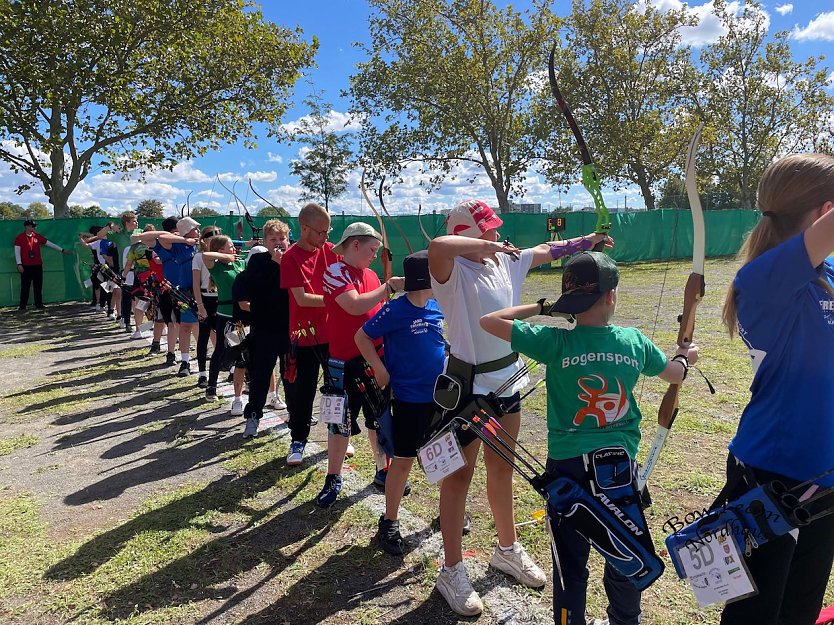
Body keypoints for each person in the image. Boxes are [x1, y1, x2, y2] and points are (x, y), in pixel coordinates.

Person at [480, 250, 697, 625]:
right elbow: (675, 375)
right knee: (626, 550)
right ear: (611, 296)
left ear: (570, 301)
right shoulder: (633, 341)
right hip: (618, 470)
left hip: (566, 471)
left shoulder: (555, 342)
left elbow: (489, 321)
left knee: (570, 565)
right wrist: (686, 355)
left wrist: (544, 306)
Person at [427, 198, 610, 616]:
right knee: (458, 477)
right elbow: (437, 246)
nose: (494, 235)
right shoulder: (451, 272)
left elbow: (549, 250)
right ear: (466, 233)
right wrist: (485, 247)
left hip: (508, 381)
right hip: (468, 387)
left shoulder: (503, 262)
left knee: (502, 468)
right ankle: (451, 569)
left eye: (493, 229)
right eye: (485, 229)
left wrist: (591, 240)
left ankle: (506, 549)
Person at [716, 153, 834, 625]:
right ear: (825, 212)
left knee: (801, 607)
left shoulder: (827, 275)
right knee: (756, 615)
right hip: (771, 477)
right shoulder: (763, 279)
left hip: (824, 473)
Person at [355, 250, 445, 555]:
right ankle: (390, 521)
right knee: (403, 461)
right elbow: (362, 337)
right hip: (408, 399)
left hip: (440, 398)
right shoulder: (395, 310)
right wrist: (380, 368)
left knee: (442, 456)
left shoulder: (437, 306)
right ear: (425, 279)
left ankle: (448, 511)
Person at [314, 221, 405, 508]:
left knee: (379, 418)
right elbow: (354, 305)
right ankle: (333, 477)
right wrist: (388, 287)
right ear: (355, 244)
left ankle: (383, 469)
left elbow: (376, 314)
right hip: (343, 362)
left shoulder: (370, 276)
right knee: (339, 423)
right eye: (371, 249)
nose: (374, 255)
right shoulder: (335, 271)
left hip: (373, 359)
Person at [280, 203, 338, 466]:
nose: (325, 238)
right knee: (302, 391)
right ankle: (298, 439)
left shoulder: (328, 249)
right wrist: (336, 300)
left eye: (327, 232)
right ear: (304, 229)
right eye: (320, 232)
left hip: (332, 334)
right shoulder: (290, 257)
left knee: (335, 389)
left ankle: (336, 436)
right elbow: (301, 299)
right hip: (303, 336)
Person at [239, 220, 291, 438]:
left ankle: (296, 414)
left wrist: (284, 264)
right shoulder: (258, 261)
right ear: (266, 242)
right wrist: (276, 265)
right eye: (273, 240)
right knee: (260, 375)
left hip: (289, 328)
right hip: (263, 329)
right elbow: (253, 288)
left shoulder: (294, 259)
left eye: (282, 239)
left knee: (292, 376)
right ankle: (253, 416)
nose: (278, 244)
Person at [132, 217, 200, 372]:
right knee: (169, 322)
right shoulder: (167, 243)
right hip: (167, 288)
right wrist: (181, 239)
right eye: (175, 232)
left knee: (192, 322)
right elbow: (144, 237)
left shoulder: (188, 245)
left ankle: (198, 350)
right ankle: (170, 352)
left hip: (186, 288)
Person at [201, 235, 246, 410]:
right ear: (220, 250)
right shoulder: (217, 267)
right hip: (225, 314)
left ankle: (237, 374)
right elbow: (205, 256)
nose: (234, 249)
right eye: (230, 246)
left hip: (242, 314)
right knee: (221, 348)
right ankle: (212, 386)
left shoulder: (240, 264)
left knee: (239, 347)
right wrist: (226, 257)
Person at [14, 219, 72, 311]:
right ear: (27, 227)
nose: (34, 228)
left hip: (37, 265)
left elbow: (49, 244)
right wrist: (19, 264)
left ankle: (39, 304)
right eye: (33, 226)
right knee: (25, 286)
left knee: (38, 285)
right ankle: (22, 305)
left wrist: (62, 250)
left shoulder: (37, 236)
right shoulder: (19, 237)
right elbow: (17, 251)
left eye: (34, 226)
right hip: (26, 266)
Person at [192, 226, 221, 387]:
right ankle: (202, 373)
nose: (215, 237)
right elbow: (196, 284)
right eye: (211, 235)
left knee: (228, 335)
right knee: (203, 337)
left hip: (221, 298)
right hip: (206, 297)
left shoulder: (223, 255)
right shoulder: (199, 257)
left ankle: (230, 367)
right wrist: (200, 305)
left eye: (218, 234)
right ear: (204, 239)